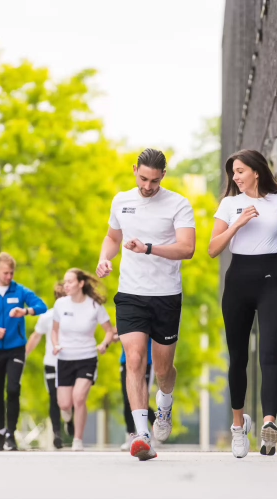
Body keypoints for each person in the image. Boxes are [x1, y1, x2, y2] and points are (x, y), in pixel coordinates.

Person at [96, 148, 196, 461]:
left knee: (164, 369)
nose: (148, 186)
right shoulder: (121, 200)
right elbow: (113, 238)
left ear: (163, 175)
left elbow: (187, 249)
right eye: (143, 178)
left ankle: (164, 406)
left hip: (166, 295)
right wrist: (104, 259)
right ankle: (142, 435)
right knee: (135, 359)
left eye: (154, 180)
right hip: (131, 293)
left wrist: (149, 248)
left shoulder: (178, 204)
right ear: (135, 170)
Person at [209, 149, 277, 458]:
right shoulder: (229, 205)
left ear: (256, 172)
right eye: (233, 172)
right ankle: (238, 426)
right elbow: (212, 249)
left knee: (269, 355)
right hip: (238, 282)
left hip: (272, 281)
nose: (235, 177)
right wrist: (237, 223)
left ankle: (269, 425)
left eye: (240, 171)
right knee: (238, 357)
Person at [0, 252, 47, 451]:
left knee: (13, 389)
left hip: (16, 348)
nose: (9, 277)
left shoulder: (19, 291)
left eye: (12, 273)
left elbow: (42, 306)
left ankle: (11, 435)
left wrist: (26, 311)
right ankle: (0, 430)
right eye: (5, 273)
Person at [52, 268, 115, 451]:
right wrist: (55, 345)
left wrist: (104, 344)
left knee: (79, 398)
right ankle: (68, 417)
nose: (66, 285)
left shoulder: (94, 306)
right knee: (64, 404)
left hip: (87, 357)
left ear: (80, 284)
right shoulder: (60, 305)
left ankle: (77, 440)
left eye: (70, 281)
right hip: (65, 357)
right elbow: (55, 331)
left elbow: (109, 331)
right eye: (65, 282)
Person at [26, 282, 74, 450]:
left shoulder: (75, 315)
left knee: (69, 399)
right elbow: (36, 336)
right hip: (51, 364)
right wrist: (25, 355)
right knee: (54, 398)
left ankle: (70, 419)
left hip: (70, 362)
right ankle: (57, 434)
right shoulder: (47, 317)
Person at [119, 337, 156, 451]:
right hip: (126, 362)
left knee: (140, 399)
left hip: (146, 362)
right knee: (127, 400)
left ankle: (154, 427)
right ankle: (131, 434)